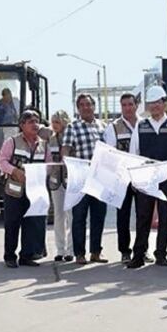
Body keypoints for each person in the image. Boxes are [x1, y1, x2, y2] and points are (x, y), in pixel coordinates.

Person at [127, 86, 167, 268]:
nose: (155, 106)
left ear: (164, 103)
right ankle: (139, 254)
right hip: (145, 179)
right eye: (151, 103)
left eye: (158, 102)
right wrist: (134, 178)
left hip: (166, 179)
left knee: (165, 217)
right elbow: (133, 154)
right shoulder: (140, 127)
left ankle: (161, 254)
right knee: (143, 216)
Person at [0, 110, 49, 268]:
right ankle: (10, 256)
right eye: (31, 122)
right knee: (12, 223)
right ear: (22, 125)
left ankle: (27, 256)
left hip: (34, 191)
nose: (35, 124)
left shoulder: (43, 145)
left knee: (31, 223)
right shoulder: (12, 142)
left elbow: (49, 165)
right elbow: (2, 162)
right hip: (14, 190)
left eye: (37, 121)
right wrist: (14, 171)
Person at [62, 93, 108, 265]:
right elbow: (65, 150)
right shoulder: (72, 127)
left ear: (94, 106)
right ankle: (79, 254)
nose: (86, 107)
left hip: (99, 180)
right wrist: (68, 168)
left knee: (98, 216)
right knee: (79, 217)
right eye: (82, 105)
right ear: (78, 108)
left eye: (88, 104)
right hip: (81, 179)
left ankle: (96, 252)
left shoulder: (103, 126)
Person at [105, 92, 141, 263]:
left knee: (143, 215)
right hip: (122, 178)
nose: (127, 108)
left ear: (136, 105)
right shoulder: (113, 127)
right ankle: (125, 251)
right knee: (123, 215)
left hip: (142, 177)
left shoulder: (144, 124)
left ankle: (142, 249)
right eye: (124, 105)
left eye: (130, 104)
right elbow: (111, 154)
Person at [48, 110, 72, 262]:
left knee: (71, 215)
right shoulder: (50, 140)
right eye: (53, 122)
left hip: (70, 180)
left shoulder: (71, 137)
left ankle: (70, 250)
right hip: (55, 181)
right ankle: (60, 249)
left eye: (57, 122)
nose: (54, 125)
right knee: (58, 215)